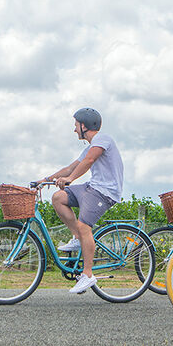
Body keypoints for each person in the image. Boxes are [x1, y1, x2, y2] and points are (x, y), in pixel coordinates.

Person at [40, 108, 124, 295]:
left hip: (104, 192)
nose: (74, 130)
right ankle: (77, 238)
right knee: (58, 198)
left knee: (84, 225)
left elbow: (89, 160)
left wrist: (70, 180)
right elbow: (71, 167)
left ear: (84, 125)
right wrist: (45, 180)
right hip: (91, 187)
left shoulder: (104, 139)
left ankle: (87, 274)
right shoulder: (89, 146)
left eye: (76, 125)